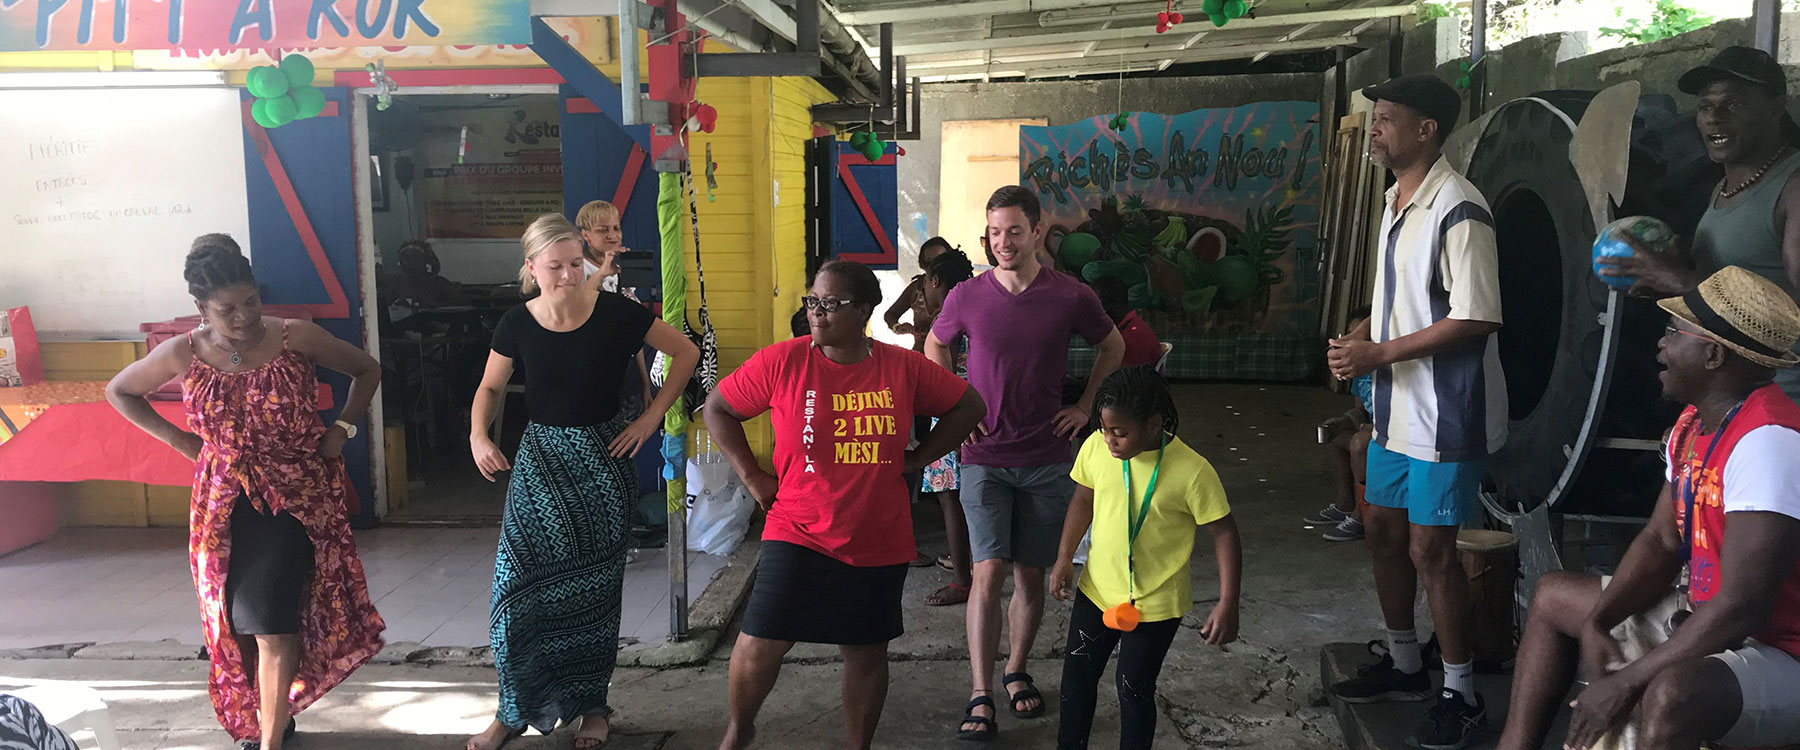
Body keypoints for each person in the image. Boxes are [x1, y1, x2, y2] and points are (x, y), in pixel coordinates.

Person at [1496, 266, 1800, 750]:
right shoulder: (1695, 425)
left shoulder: (1769, 441)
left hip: (1781, 650)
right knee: (1554, 596)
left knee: (1672, 693)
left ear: (1713, 354)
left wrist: (1627, 679)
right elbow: (1661, 540)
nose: (1661, 345)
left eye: (1673, 333)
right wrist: (1599, 620)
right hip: (1708, 612)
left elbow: (1744, 605)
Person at [105, 234, 386, 750]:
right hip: (222, 504)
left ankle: (269, 742)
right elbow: (118, 390)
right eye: (226, 309)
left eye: (251, 302)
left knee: (271, 620)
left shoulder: (294, 336)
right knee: (238, 625)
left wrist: (342, 428)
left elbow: (367, 369)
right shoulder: (181, 353)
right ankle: (274, 718)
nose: (243, 317)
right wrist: (177, 438)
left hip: (296, 498)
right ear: (200, 308)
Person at [703, 261, 986, 750]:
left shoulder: (901, 366)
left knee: (866, 651)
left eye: (830, 304)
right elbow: (718, 408)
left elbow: (969, 406)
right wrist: (752, 477)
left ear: (864, 311)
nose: (817, 313)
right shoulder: (784, 361)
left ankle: (858, 745)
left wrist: (920, 456)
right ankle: (739, 729)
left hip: (876, 534)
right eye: (812, 301)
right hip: (798, 526)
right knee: (759, 639)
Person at [466, 214, 700, 750]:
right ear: (531, 268)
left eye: (577, 263)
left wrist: (651, 419)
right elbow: (488, 387)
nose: (569, 275)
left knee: (593, 592)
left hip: (603, 458)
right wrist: (480, 436)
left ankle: (593, 707)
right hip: (540, 462)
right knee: (513, 591)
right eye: (555, 266)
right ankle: (511, 708)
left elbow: (684, 353)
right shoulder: (516, 323)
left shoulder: (619, 313)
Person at [1325, 74, 1508, 750]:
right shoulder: (1395, 200)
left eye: (1387, 119)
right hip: (1398, 407)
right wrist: (1363, 333)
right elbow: (1407, 294)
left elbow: (1476, 316)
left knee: (1432, 550)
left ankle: (1459, 691)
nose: (1375, 129)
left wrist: (1378, 354)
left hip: (1446, 412)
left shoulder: (1459, 207)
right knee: (1380, 529)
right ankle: (1405, 663)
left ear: (1427, 129)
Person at [928, 185, 1126, 740]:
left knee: (1030, 575)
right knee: (988, 571)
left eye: (1014, 231)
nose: (1003, 243)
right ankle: (981, 690)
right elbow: (936, 347)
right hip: (983, 457)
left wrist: (1085, 407)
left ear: (1038, 231)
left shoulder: (1071, 295)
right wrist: (958, 404)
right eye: (994, 233)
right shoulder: (967, 295)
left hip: (1045, 457)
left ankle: (1016, 668)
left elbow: (1112, 348)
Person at [1048, 367, 1241, 750]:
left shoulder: (1192, 471)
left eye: (1119, 432)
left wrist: (1228, 602)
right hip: (1098, 590)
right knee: (1076, 683)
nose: (1109, 440)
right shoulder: (1095, 449)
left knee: (1133, 690)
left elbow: (1224, 533)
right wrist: (1064, 558)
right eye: (1104, 429)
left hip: (1156, 603)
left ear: (1154, 424)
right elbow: (1083, 499)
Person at [1598, 46, 1800, 402]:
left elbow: (1791, 315)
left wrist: (1680, 280)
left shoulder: (1794, 187)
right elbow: (1735, 287)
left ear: (1776, 106)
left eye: (1733, 104)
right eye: (1705, 107)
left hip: (1781, 408)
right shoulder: (1724, 189)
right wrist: (1669, 279)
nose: (1715, 117)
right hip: (1730, 405)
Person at [918, 250, 979, 607]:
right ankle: (971, 563)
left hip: (954, 411)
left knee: (950, 496)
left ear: (936, 281)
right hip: (980, 407)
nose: (923, 289)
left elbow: (942, 371)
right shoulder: (975, 306)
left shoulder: (947, 316)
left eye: (924, 281)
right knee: (976, 494)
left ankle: (961, 579)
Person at [1308, 307, 1375, 543]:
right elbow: (1360, 410)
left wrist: (1371, 427)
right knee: (1333, 435)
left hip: (1391, 436)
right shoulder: (1359, 371)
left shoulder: (1388, 366)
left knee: (1359, 443)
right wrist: (1346, 420)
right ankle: (1345, 504)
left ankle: (1361, 517)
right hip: (1371, 431)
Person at [885, 236, 958, 348]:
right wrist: (897, 326)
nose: (935, 267)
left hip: (954, 356)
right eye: (929, 262)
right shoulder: (916, 288)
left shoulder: (960, 289)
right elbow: (890, 314)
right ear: (922, 264)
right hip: (921, 354)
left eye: (941, 261)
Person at [1091, 276, 1162, 370]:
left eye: (1096, 303)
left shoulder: (1133, 337)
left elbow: (1127, 381)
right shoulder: (1128, 327)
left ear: (1113, 303)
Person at [389, 239, 466, 308]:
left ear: (426, 261)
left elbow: (466, 308)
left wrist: (433, 305)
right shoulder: (396, 283)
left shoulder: (439, 283)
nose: (410, 263)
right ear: (400, 262)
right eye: (406, 258)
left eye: (415, 258)